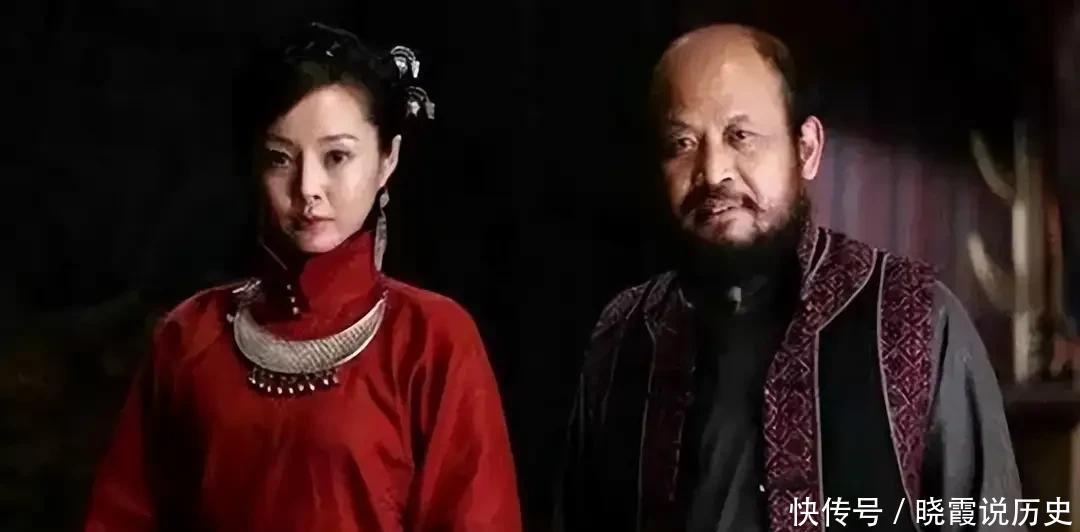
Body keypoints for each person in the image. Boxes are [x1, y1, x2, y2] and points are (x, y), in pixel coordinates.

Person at [558, 24, 1022, 532]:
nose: (713, 172)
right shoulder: (624, 336)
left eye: (740, 136)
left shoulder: (914, 318)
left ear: (807, 149)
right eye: (682, 143)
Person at [85, 22, 521, 532]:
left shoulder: (431, 341)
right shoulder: (190, 335)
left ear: (388, 159)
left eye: (337, 157)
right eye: (280, 159)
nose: (308, 187)